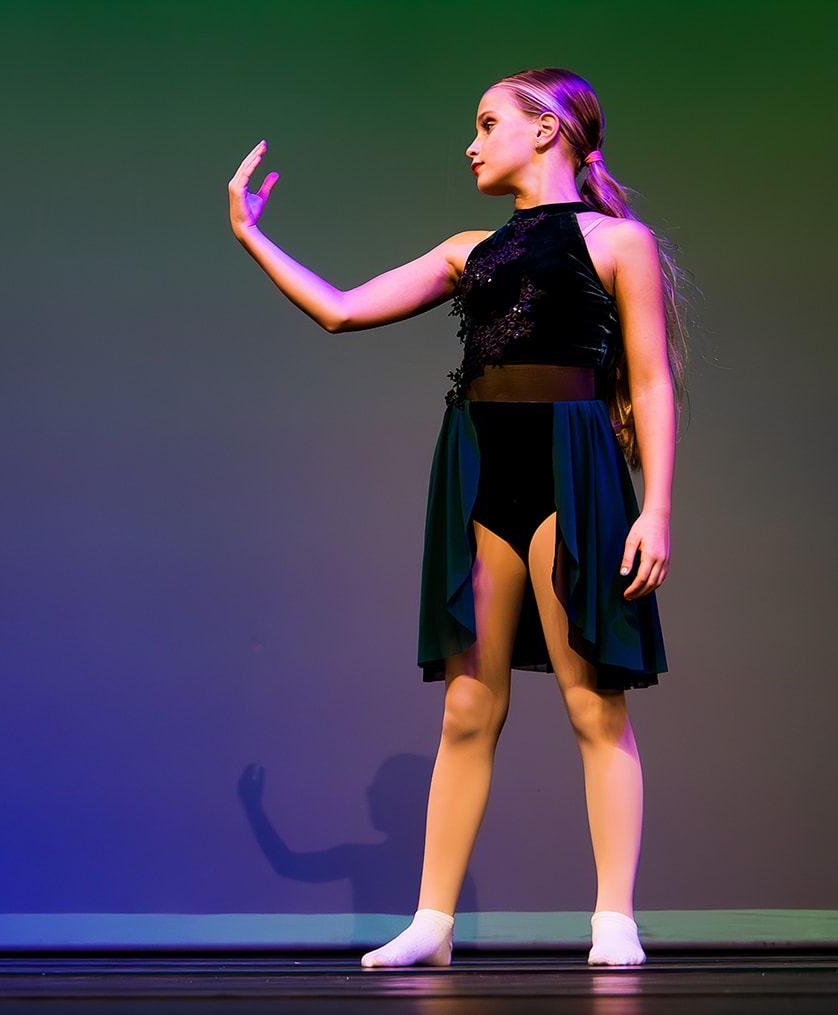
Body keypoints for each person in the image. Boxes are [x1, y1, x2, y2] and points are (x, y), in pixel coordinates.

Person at [227, 68, 683, 967]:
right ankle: (432, 924)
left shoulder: (618, 243)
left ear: (547, 129)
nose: (471, 145)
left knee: (594, 702)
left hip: (571, 470)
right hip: (478, 472)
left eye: (486, 123)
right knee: (469, 707)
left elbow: (652, 379)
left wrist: (657, 508)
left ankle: (613, 920)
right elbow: (341, 310)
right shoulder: (466, 251)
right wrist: (251, 234)